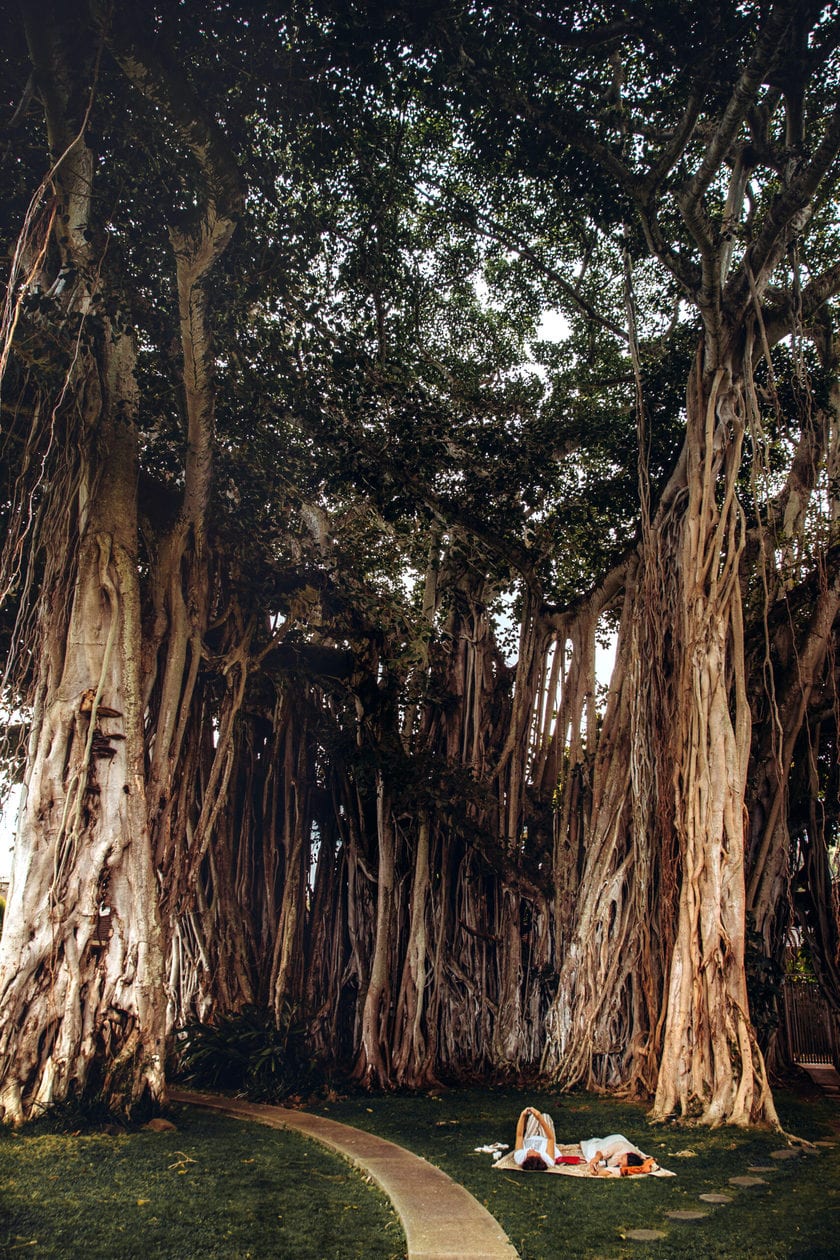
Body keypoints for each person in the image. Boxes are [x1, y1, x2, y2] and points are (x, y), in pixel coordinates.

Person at [580, 1134, 657, 1175]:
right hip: (616, 1140)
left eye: (621, 1164)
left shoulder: (636, 1156)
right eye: (622, 1159)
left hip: (621, 1144)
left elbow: (646, 1160)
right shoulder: (620, 1146)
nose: (619, 1162)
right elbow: (600, 1153)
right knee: (590, 1154)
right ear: (626, 1154)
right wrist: (596, 1158)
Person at [513, 1106, 557, 1170]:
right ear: (540, 1157)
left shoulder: (519, 1158)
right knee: (545, 1116)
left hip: (530, 1137)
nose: (532, 1149)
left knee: (533, 1117)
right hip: (546, 1138)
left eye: (528, 1153)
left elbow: (519, 1135)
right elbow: (550, 1138)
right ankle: (542, 1117)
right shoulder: (548, 1161)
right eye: (535, 1152)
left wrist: (522, 1115)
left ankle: (536, 1117)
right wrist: (539, 1117)